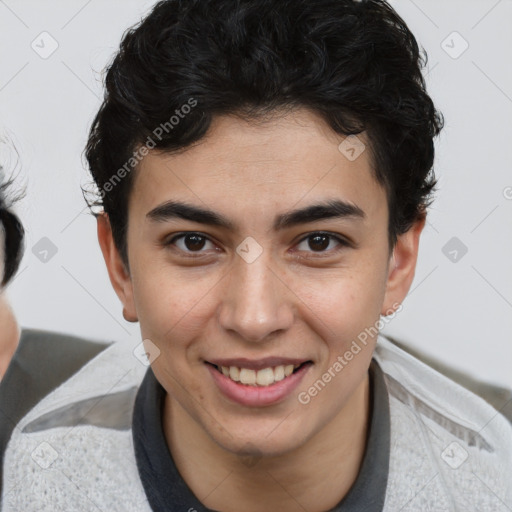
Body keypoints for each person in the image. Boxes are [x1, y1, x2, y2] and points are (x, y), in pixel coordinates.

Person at [2, 0, 511, 510]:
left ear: (399, 260)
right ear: (120, 264)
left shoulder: (492, 483)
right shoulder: (35, 481)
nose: (254, 317)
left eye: (318, 242)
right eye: (194, 242)